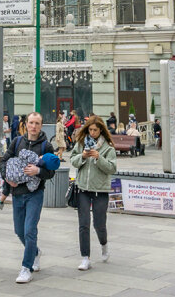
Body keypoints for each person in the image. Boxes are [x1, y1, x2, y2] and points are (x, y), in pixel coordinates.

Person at [1, 112, 56, 284]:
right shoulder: (17, 142)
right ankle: (35, 252)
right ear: (26, 124)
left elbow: (51, 171)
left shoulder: (47, 146)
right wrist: (7, 178)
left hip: (35, 194)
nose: (34, 126)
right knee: (19, 231)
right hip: (17, 193)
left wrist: (38, 171)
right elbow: (4, 162)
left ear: (41, 125)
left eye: (37, 123)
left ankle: (26, 268)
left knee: (30, 230)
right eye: (31, 123)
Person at [69, 115, 117, 271]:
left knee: (99, 224)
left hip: (100, 190)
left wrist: (99, 158)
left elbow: (112, 168)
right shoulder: (82, 143)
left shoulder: (108, 147)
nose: (92, 133)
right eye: (90, 129)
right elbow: (73, 160)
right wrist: (82, 156)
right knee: (83, 224)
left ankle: (104, 245)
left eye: (95, 130)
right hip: (83, 188)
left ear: (101, 130)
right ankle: (85, 258)